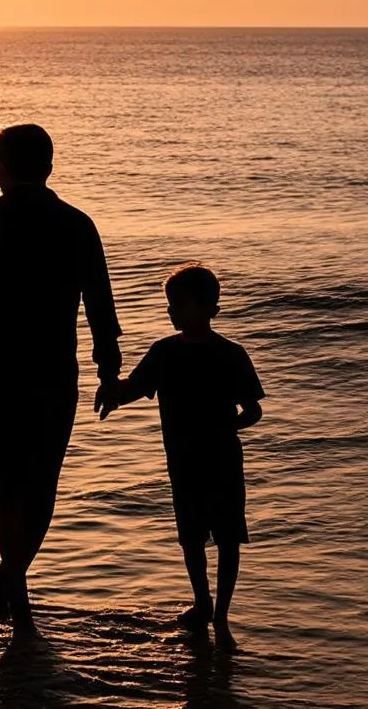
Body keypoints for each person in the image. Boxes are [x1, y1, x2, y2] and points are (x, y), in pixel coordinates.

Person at [0, 124, 123, 631]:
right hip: (55, 373)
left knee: (7, 490)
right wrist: (109, 369)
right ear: (50, 167)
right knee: (40, 486)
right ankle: (12, 579)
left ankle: (10, 577)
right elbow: (100, 303)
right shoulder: (76, 223)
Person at [99, 263, 264, 647]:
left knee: (225, 538)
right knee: (192, 537)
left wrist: (225, 428)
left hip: (220, 461)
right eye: (169, 305)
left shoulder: (230, 354)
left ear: (208, 309)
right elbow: (134, 388)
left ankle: (220, 614)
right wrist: (111, 392)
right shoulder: (163, 353)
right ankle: (203, 604)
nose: (170, 311)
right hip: (187, 463)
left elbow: (253, 411)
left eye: (177, 305)